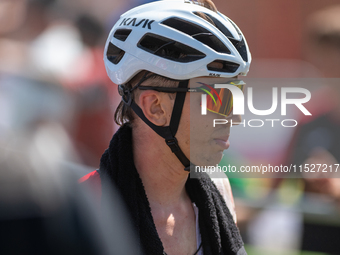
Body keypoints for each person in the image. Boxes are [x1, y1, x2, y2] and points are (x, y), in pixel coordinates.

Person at [80, 0, 251, 254]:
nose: (234, 116)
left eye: (236, 93)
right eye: (217, 97)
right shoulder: (86, 209)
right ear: (155, 107)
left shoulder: (218, 190)